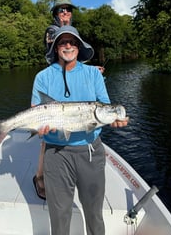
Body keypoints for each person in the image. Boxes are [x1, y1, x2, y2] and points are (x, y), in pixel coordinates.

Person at [31, 25, 128, 235]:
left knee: (94, 214)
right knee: (59, 217)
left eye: (73, 42)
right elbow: (35, 110)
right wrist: (39, 126)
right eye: (63, 42)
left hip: (90, 152)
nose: (68, 46)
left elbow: (105, 106)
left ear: (79, 47)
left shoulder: (93, 74)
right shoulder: (42, 77)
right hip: (56, 154)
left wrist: (114, 119)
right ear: (56, 48)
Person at [33, 0, 104, 200]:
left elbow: (76, 56)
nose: (65, 13)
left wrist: (92, 70)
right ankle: (40, 176)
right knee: (47, 137)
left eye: (68, 10)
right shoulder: (51, 30)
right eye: (61, 10)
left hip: (73, 75)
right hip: (55, 77)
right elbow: (58, 50)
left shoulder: (73, 30)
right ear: (55, 13)